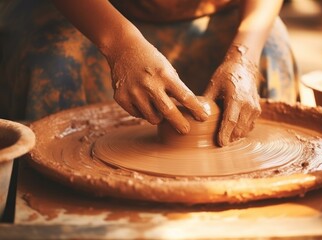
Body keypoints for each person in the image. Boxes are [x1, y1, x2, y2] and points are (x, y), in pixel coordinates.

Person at [0, 0, 298, 146]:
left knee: (272, 53)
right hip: (92, 9)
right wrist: (120, 43)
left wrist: (244, 55)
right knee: (52, 62)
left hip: (224, 10)